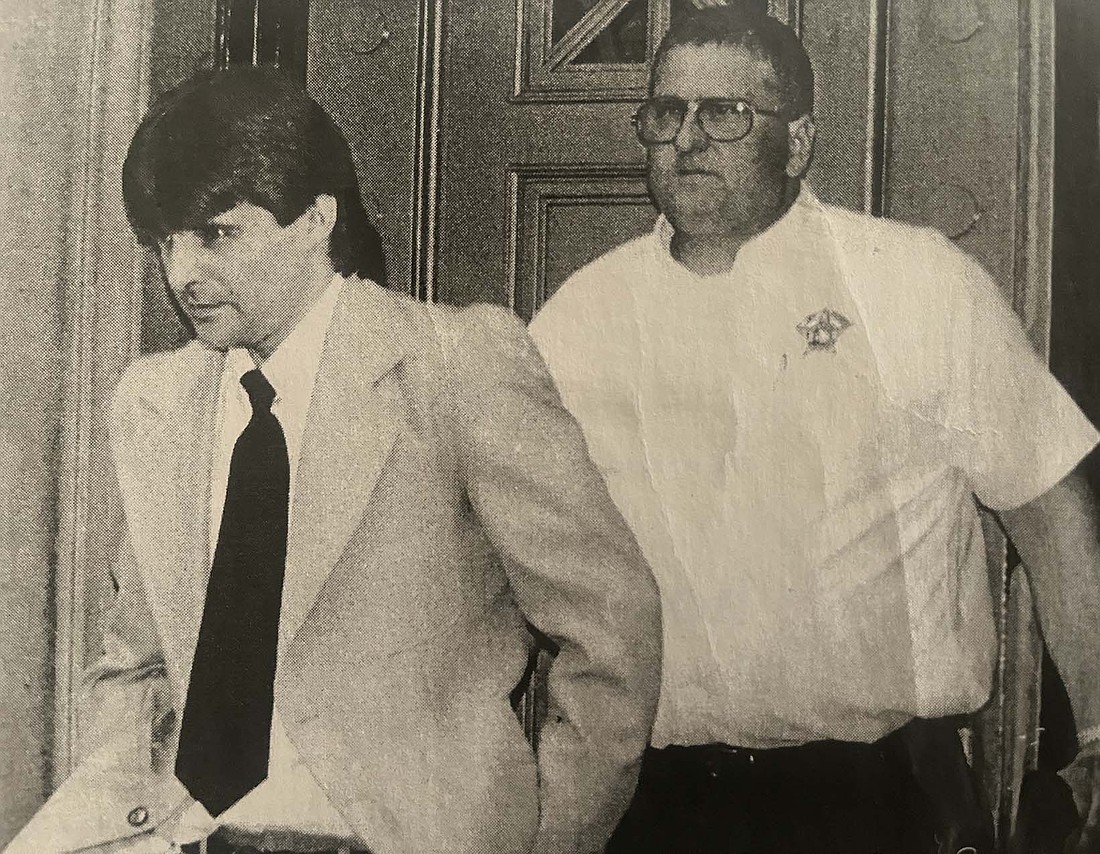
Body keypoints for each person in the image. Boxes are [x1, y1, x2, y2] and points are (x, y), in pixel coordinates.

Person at [7, 67, 662, 854]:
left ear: (315, 218)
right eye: (165, 242)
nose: (183, 274)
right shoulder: (154, 402)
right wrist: (121, 826)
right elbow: (131, 663)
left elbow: (612, 625)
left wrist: (554, 842)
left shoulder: (456, 367)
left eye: (217, 232)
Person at [528, 5, 1100, 853]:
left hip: (879, 800)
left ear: (797, 143)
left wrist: (1099, 738)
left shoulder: (916, 285)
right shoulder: (579, 319)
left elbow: (1052, 514)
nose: (687, 139)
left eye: (725, 114)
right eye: (666, 113)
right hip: (653, 806)